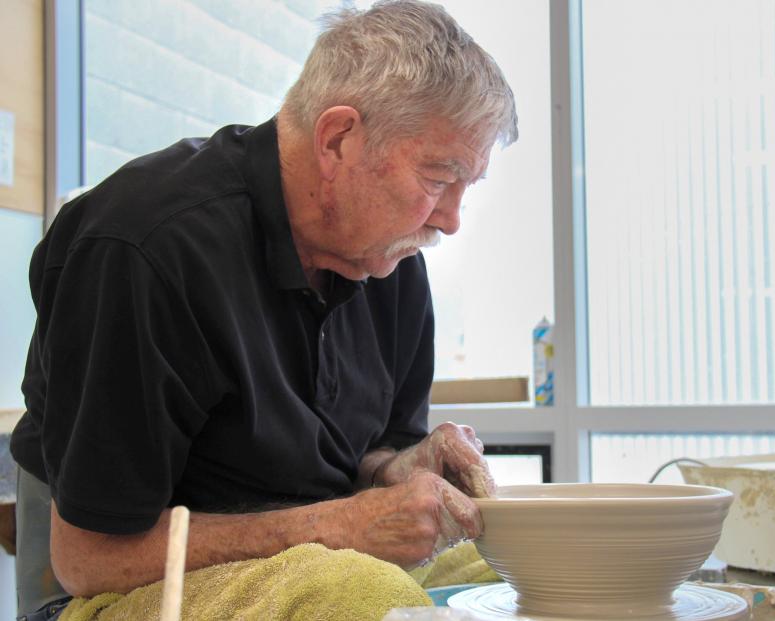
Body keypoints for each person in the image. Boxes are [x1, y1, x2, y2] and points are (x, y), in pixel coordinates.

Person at [10, 0, 517, 613]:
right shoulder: (148, 248)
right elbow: (91, 558)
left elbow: (370, 461)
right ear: (337, 139)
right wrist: (339, 527)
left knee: (513, 567)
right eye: (439, 179)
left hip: (317, 560)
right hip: (116, 589)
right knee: (365, 598)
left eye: (469, 188)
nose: (452, 220)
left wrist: (401, 469)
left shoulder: (390, 259)